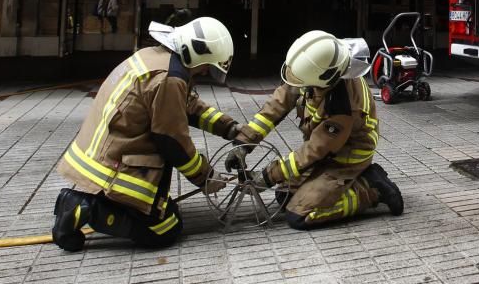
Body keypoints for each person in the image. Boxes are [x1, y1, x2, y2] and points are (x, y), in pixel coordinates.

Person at [52, 17, 242, 251]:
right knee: (166, 228)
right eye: (206, 66)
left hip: (96, 155)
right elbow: (172, 141)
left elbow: (187, 106)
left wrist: (229, 127)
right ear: (196, 53)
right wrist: (205, 177)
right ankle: (86, 208)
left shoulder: (155, 57)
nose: (203, 72)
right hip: (113, 167)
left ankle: (96, 202)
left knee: (161, 208)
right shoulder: (169, 79)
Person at [226, 30, 403, 230]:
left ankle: (371, 188)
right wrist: (243, 143)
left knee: (299, 214)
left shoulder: (342, 105)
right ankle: (343, 184)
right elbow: (277, 104)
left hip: (345, 159)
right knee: (283, 196)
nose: (295, 83)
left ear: (322, 80)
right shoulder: (317, 66)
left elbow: (315, 150)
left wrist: (268, 176)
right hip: (324, 153)